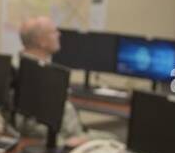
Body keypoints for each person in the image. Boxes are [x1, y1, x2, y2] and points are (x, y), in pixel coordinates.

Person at [15, 16, 110, 146]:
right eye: (54, 32)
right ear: (41, 41)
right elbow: (33, 126)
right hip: (66, 141)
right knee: (116, 142)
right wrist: (65, 144)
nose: (59, 34)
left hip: (63, 137)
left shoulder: (20, 68)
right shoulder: (40, 75)